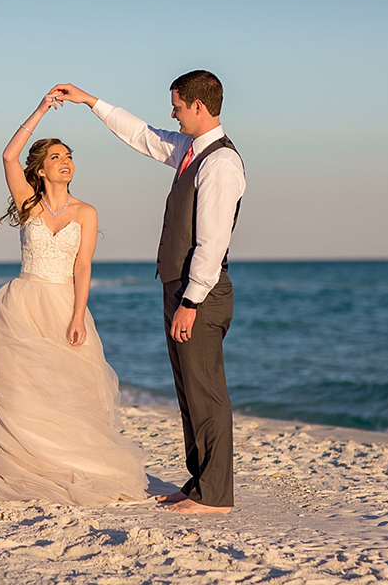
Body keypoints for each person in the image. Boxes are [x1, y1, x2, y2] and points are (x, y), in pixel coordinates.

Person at [0, 91, 148, 505]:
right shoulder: (28, 203)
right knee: (19, 392)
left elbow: (83, 267)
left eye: (69, 156)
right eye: (56, 157)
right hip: (20, 306)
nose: (66, 161)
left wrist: (79, 315)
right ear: (40, 170)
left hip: (64, 306)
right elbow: (7, 156)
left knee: (67, 390)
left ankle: (65, 462)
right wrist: (41, 110)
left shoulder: (87, 212)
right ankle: (16, 465)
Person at [52, 71, 245, 514]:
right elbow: (141, 134)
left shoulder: (220, 163)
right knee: (188, 391)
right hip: (178, 288)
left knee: (207, 391)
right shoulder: (188, 151)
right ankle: (199, 484)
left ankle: (216, 496)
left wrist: (191, 302)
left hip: (199, 294)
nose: (172, 113)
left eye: (176, 106)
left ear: (198, 106)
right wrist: (89, 101)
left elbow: (211, 244)